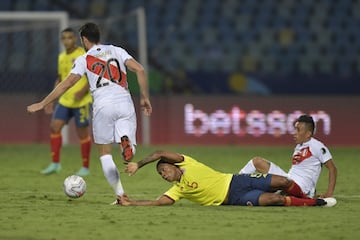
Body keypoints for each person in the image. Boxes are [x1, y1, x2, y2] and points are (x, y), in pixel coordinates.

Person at [27, 22, 152, 203]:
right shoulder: (117, 50)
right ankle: (127, 145)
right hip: (125, 101)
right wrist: (144, 97)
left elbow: (67, 83)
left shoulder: (84, 59)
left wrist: (43, 102)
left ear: (84, 40)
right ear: (98, 37)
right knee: (129, 147)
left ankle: (120, 195)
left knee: (105, 153)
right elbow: (139, 69)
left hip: (103, 105)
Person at [117, 150, 336, 207]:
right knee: (274, 200)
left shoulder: (187, 162)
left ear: (173, 165)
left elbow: (158, 153)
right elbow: (157, 202)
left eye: (163, 170)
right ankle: (314, 203)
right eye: (160, 175)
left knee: (284, 183)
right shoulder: (179, 189)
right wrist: (131, 202)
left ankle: (304, 195)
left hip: (237, 181)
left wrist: (139, 164)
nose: (164, 175)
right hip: (234, 199)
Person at [239, 114, 337, 198]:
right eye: (295, 129)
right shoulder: (299, 146)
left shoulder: (317, 146)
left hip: (301, 188)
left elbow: (332, 169)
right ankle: (235, 183)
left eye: (298, 130)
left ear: (308, 134)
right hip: (288, 179)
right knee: (257, 162)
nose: (294, 133)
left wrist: (329, 193)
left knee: (266, 193)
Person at [41, 27, 92, 177]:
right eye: (64, 38)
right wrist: (51, 99)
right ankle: (55, 164)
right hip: (64, 100)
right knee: (54, 127)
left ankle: (85, 167)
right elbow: (60, 78)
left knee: (82, 134)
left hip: (81, 101)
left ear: (75, 39)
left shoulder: (83, 54)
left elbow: (92, 75)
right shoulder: (61, 57)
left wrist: (82, 91)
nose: (67, 41)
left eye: (70, 37)